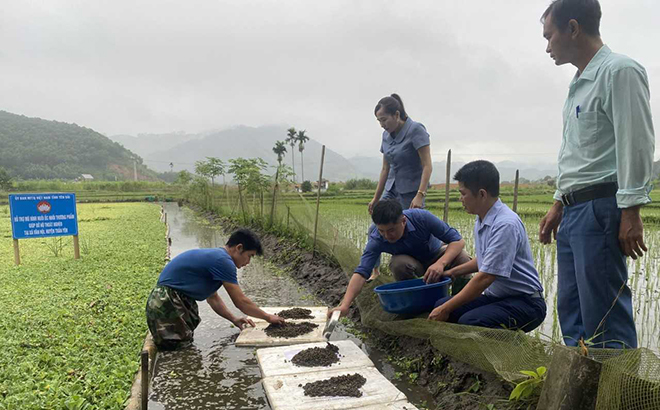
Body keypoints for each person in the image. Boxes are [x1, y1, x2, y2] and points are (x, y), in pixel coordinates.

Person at [538, 0, 654, 348]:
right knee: (573, 311)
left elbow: (636, 142)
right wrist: (559, 202)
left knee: (604, 316)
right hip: (574, 212)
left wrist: (631, 210)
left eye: (549, 36)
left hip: (601, 208)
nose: (547, 46)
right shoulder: (578, 84)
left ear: (573, 28)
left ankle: (616, 395)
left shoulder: (619, 71)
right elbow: (578, 153)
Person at [429, 161, 546, 332]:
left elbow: (485, 277)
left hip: (526, 303)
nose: (460, 199)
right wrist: (450, 272)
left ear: (482, 194)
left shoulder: (505, 224)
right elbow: (485, 260)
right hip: (498, 298)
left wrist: (445, 309)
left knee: (470, 320)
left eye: (463, 193)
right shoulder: (482, 218)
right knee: (442, 304)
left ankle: (506, 353)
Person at [146, 228, 285, 350]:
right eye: (249, 256)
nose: (248, 262)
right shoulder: (223, 261)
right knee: (176, 350)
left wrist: (234, 319)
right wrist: (267, 317)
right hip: (168, 300)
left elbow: (213, 299)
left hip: (168, 299)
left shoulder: (217, 258)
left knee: (181, 348)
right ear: (239, 248)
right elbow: (241, 301)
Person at [329, 199, 470, 318]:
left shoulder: (422, 218)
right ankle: (416, 306)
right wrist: (345, 305)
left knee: (463, 258)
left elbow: (458, 241)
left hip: (435, 254)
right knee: (398, 264)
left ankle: (458, 304)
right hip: (411, 263)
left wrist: (440, 263)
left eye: (391, 230)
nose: (387, 235)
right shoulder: (376, 238)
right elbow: (362, 272)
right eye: (381, 231)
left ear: (403, 220)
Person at [368, 94, 434, 280]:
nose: (382, 124)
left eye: (384, 119)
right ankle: (374, 271)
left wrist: (420, 194)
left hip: (412, 191)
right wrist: (376, 198)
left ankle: (423, 270)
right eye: (378, 121)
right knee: (374, 228)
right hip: (391, 189)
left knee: (414, 231)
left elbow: (427, 165)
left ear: (397, 114)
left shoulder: (416, 130)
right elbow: (385, 168)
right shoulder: (385, 136)